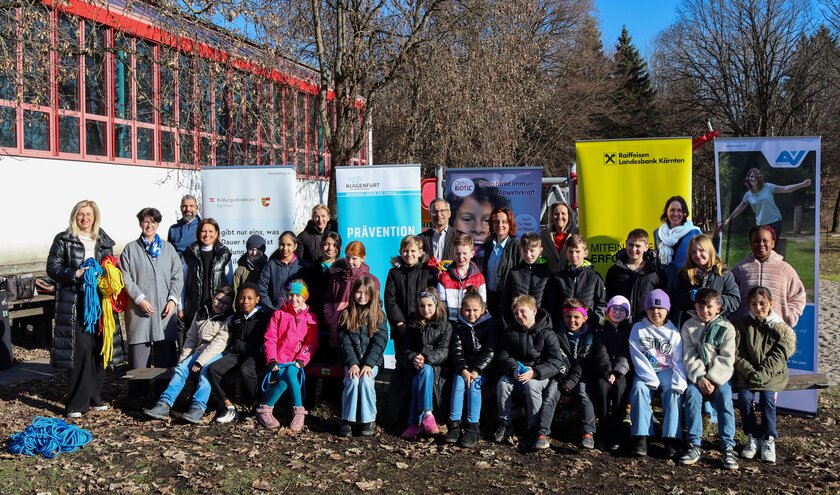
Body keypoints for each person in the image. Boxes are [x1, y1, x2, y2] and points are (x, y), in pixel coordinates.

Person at [47, 199, 121, 418]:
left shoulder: (103, 240)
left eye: (89, 214)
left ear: (95, 217)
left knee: (100, 348)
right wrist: (75, 274)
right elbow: (52, 268)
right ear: (75, 216)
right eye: (81, 214)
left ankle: (94, 396)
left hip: (101, 302)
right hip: (76, 303)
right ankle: (76, 404)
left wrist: (108, 272)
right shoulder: (64, 239)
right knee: (80, 351)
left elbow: (111, 264)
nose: (85, 218)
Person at [143, 286, 234, 423]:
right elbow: (191, 338)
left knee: (206, 371)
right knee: (181, 369)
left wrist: (200, 362)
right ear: (213, 296)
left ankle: (197, 408)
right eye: (219, 300)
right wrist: (184, 359)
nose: (221, 305)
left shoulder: (228, 318)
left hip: (217, 353)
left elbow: (219, 343)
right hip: (200, 351)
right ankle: (164, 404)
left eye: (225, 303)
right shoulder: (202, 312)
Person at [495, 295, 569, 450]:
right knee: (503, 384)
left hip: (539, 374)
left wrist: (535, 372)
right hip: (515, 372)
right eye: (516, 313)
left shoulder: (547, 333)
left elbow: (555, 361)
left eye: (523, 312)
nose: (519, 316)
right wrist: (513, 369)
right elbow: (503, 356)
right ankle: (505, 423)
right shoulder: (510, 333)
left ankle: (534, 428)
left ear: (534, 311)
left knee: (532, 386)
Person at [733, 286, 797, 464]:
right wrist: (750, 372)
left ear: (770, 304)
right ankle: (752, 436)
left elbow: (778, 355)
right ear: (749, 305)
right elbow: (738, 354)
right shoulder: (742, 326)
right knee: (745, 398)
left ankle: (768, 438)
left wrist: (762, 374)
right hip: (748, 374)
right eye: (754, 304)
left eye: (762, 303)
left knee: (768, 398)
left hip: (772, 374)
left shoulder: (780, 328)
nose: (758, 308)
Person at [678, 288, 739, 470]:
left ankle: (728, 445)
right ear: (695, 306)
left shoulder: (726, 328)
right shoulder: (689, 326)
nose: (704, 311)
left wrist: (713, 379)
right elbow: (688, 354)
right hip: (697, 376)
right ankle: (694, 443)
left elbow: (727, 358)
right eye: (700, 306)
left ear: (718, 308)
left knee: (725, 398)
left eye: (709, 307)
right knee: (692, 396)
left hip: (719, 377)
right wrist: (700, 378)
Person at [121, 207, 184, 369]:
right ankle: (138, 393)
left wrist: (173, 300)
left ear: (158, 224)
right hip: (138, 310)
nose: (149, 226)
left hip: (164, 310)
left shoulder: (168, 249)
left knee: (165, 359)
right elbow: (125, 277)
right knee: (139, 361)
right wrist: (139, 298)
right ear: (140, 223)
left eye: (153, 222)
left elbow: (177, 277)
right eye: (146, 221)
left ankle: (163, 392)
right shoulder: (130, 249)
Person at [628, 289, 686, 458]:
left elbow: (678, 360)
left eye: (660, 309)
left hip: (666, 369)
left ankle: (671, 437)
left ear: (667, 310)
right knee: (639, 389)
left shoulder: (674, 333)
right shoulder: (638, 329)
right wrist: (649, 377)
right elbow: (637, 356)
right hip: (645, 370)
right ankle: (641, 435)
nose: (655, 312)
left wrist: (679, 379)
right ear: (646, 310)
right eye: (651, 308)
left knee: (674, 391)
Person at [256, 280, 319, 430]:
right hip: (279, 359)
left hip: (296, 359)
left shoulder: (310, 318)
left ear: (304, 297)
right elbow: (270, 338)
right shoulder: (279, 314)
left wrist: (301, 359)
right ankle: (293, 412)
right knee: (284, 380)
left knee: (290, 373)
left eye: (298, 295)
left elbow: (310, 343)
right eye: (291, 295)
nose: (293, 299)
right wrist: (272, 359)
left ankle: (290, 411)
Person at [206, 283, 271, 423]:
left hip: (254, 355)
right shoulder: (237, 316)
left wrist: (247, 348)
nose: (245, 301)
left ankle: (257, 403)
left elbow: (265, 342)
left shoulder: (263, 317)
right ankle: (229, 406)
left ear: (257, 299)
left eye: (249, 298)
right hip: (236, 355)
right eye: (242, 298)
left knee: (246, 369)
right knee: (213, 369)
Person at [445, 288, 496, 448]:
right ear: (461, 310)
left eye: (475, 310)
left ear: (483, 310)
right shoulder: (458, 326)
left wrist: (476, 371)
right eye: (467, 310)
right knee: (459, 384)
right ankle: (454, 425)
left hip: (481, 369)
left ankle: (472, 427)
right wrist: (464, 370)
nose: (471, 314)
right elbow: (456, 351)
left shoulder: (490, 325)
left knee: (474, 386)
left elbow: (490, 351)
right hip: (463, 368)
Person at [338, 277, 389, 437]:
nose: (361, 296)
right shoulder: (346, 314)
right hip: (351, 362)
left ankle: (368, 420)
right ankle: (347, 420)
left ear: (372, 295)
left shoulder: (379, 316)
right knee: (352, 380)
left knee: (366, 380)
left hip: (371, 363)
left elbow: (380, 341)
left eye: (366, 293)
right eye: (358, 292)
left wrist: (368, 364)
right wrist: (352, 363)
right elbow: (344, 343)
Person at [399, 288, 452, 440]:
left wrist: (426, 357)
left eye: (429, 305)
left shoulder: (445, 326)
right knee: (418, 378)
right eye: (422, 306)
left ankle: (415, 422)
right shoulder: (413, 325)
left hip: (436, 368)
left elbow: (443, 351)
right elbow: (406, 349)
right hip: (415, 367)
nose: (426, 309)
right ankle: (427, 416)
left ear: (436, 305)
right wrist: (414, 357)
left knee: (424, 373)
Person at [730, 225, 806, 327]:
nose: (761, 244)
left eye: (765, 241)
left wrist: (789, 317)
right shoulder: (739, 269)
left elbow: (798, 296)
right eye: (756, 241)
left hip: (776, 329)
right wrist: (736, 317)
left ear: (773, 243)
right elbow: (730, 295)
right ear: (750, 244)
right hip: (745, 329)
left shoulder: (785, 270)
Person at [718, 167, 811, 239]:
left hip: (775, 222)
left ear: (759, 178)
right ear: (748, 178)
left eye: (755, 176)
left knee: (770, 249)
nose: (753, 178)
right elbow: (739, 208)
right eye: (751, 176)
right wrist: (729, 219)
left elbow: (785, 188)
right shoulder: (748, 195)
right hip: (761, 225)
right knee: (762, 251)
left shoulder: (768, 187)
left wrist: (802, 184)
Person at [591, 295, 633, 452]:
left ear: (627, 313)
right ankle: (602, 428)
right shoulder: (600, 330)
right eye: (614, 309)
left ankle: (616, 431)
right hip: (604, 372)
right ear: (608, 311)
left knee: (620, 391)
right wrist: (608, 372)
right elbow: (601, 353)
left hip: (622, 372)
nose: (617, 312)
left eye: (622, 310)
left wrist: (616, 372)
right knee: (601, 389)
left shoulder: (630, 331)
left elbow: (626, 353)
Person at [671, 234, 740, 328]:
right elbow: (676, 300)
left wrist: (714, 300)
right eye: (693, 252)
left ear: (710, 250)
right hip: (691, 328)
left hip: (717, 326)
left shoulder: (724, 274)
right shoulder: (684, 274)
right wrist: (690, 296)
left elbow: (734, 301)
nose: (697, 255)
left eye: (701, 250)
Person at [384, 235, 438, 348]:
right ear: (400, 251)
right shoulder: (394, 273)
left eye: (413, 251)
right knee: (403, 361)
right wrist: (399, 322)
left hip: (424, 325)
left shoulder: (428, 272)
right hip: (401, 328)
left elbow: (434, 299)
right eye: (405, 251)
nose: (409, 254)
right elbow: (390, 300)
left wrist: (426, 320)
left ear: (420, 252)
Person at [324, 241, 380, 347]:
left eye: (354, 258)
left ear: (363, 258)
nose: (350, 261)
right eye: (347, 257)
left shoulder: (372, 280)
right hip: (338, 332)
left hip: (362, 335)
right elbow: (328, 302)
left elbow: (376, 305)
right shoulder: (336, 278)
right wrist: (332, 319)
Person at [181, 218, 232, 334]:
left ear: (216, 233)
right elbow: (182, 282)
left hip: (217, 308)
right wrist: (180, 307)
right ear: (199, 233)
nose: (207, 234)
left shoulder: (224, 254)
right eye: (204, 231)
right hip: (194, 308)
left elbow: (229, 284)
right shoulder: (189, 254)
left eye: (210, 231)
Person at [558, 298, 597, 450]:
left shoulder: (590, 335)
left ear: (585, 318)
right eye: (568, 316)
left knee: (582, 393)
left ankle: (588, 432)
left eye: (576, 317)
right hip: (562, 374)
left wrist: (571, 381)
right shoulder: (558, 333)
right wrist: (564, 378)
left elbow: (584, 362)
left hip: (582, 375)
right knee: (551, 393)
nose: (572, 320)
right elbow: (558, 358)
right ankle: (542, 430)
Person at [605, 228, 667, 323]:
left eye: (638, 246)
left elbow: (663, 300)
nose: (634, 249)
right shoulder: (615, 271)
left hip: (647, 324)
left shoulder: (656, 272)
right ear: (626, 243)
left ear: (646, 247)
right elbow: (608, 298)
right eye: (631, 245)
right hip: (621, 324)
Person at [550, 234, 607, 324]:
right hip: (565, 328)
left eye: (577, 251)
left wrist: (596, 322)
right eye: (570, 251)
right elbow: (553, 305)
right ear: (566, 253)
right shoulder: (558, 278)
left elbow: (602, 303)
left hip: (588, 327)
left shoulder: (594, 277)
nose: (574, 255)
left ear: (585, 253)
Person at [446, 179, 511, 259]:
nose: (478, 229)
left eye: (487, 220)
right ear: (452, 220)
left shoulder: (511, 253)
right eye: (467, 219)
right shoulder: (444, 254)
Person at [500, 232, 551, 327]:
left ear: (540, 250)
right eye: (525, 251)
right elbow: (505, 302)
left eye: (532, 251)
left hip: (540, 325)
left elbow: (551, 304)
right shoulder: (514, 273)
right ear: (520, 250)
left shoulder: (547, 275)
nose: (528, 255)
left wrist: (547, 325)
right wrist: (506, 325)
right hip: (517, 325)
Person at [654, 195, 702, 290]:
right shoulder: (657, 233)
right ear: (666, 212)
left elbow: (706, 255)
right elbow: (657, 261)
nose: (676, 214)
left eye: (679, 210)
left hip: (687, 284)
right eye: (672, 210)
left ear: (685, 213)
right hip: (664, 284)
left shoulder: (694, 232)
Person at [437, 233, 487, 321]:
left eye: (464, 253)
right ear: (453, 253)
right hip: (451, 323)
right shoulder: (444, 277)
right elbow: (441, 304)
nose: (461, 257)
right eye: (457, 253)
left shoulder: (479, 278)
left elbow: (482, 304)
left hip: (472, 324)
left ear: (472, 254)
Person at [482, 207, 521, 319]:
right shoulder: (488, 246)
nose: (500, 225)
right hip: (490, 299)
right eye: (496, 221)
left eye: (504, 222)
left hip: (508, 300)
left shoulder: (516, 245)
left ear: (510, 224)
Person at [257, 231, 307, 311]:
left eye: (289, 245)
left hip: (296, 312)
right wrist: (271, 308)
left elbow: (305, 291)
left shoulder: (301, 267)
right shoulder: (271, 265)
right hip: (275, 312)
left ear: (295, 246)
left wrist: (300, 308)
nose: (285, 248)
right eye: (282, 244)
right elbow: (261, 289)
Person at [539, 201, 578, 274]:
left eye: (563, 213)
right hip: (548, 281)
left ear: (569, 216)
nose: (560, 216)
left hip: (570, 280)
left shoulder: (577, 234)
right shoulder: (543, 235)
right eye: (556, 214)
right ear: (551, 216)